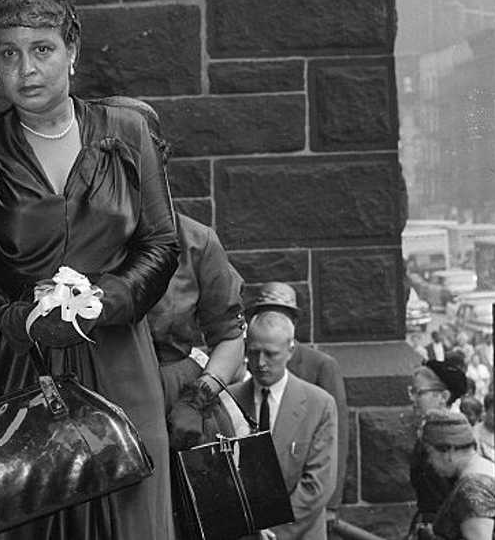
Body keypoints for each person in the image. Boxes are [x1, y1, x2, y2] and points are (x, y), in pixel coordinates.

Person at [0, 0, 181, 538]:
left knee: (133, 515)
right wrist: (6, 316)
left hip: (117, 355)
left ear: (72, 52)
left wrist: (103, 302)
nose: (27, 69)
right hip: (20, 363)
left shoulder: (127, 133)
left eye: (42, 49)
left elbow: (162, 244)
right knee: (32, 517)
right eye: (9, 53)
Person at [229, 312, 338, 540]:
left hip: (300, 533)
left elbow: (318, 485)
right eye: (253, 352)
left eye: (271, 354)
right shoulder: (229, 400)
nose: (260, 363)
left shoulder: (319, 404)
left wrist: (273, 532)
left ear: (290, 351)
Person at [246, 282, 349, 522]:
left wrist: (332, 504)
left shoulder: (320, 365)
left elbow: (337, 436)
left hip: (301, 506)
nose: (274, 319)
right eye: (266, 312)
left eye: (283, 313)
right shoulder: (247, 359)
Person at [149, 211, 245, 449]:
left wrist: (195, 402)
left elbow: (230, 337)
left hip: (173, 400)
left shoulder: (196, 241)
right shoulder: (79, 235)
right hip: (101, 391)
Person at [408, 357, 470, 537]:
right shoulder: (429, 430)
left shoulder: (453, 438)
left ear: (444, 397)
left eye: (418, 393)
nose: (413, 399)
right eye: (411, 392)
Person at [417, 410, 495, 540]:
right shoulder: (486, 467)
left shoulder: (472, 488)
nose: (429, 461)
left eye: (430, 453)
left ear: (448, 450)